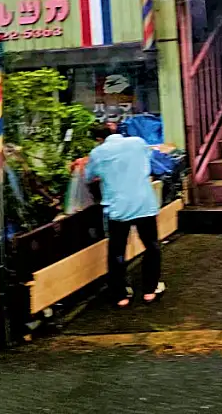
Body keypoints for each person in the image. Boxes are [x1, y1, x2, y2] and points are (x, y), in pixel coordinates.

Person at [79, 122, 164, 308]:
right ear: (116, 131)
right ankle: (150, 291)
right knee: (151, 246)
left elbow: (87, 177)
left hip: (118, 208)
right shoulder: (137, 142)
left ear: (98, 139)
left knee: (117, 251)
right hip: (144, 204)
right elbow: (147, 160)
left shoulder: (97, 153)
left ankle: (121, 295)